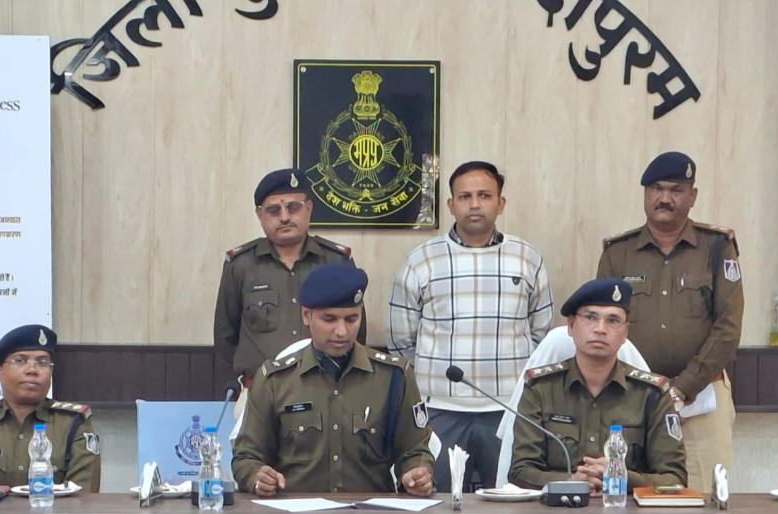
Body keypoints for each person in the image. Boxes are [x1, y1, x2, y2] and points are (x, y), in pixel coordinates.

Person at [388, 160, 553, 491]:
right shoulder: (421, 260)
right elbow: (401, 340)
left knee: (511, 503)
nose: (474, 204)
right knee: (435, 502)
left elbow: (541, 334)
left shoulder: (527, 258)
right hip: (440, 411)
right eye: (464, 197)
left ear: (500, 203)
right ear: (451, 205)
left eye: (484, 195)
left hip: (508, 409)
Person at [597, 151, 743, 493]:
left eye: (676, 190)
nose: (665, 198)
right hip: (633, 397)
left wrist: (683, 388)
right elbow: (604, 323)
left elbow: (728, 327)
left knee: (703, 495)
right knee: (629, 492)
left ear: (692, 196)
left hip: (702, 397)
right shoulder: (618, 252)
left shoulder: (717, 247)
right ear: (645, 194)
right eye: (656, 188)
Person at [232, 264, 433, 496]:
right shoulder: (275, 380)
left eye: (351, 319)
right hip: (294, 511)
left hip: (372, 513)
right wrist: (257, 476)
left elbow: (415, 450)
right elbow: (246, 456)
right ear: (306, 315)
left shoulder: (394, 377)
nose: (342, 331)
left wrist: (416, 473)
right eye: (329, 319)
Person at [509, 279, 687, 494]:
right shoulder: (541, 388)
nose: (601, 329)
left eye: (613, 320)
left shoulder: (651, 394)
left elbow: (674, 479)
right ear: (571, 325)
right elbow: (520, 472)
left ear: (625, 333)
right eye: (590, 317)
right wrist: (571, 481)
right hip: (558, 509)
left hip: (628, 510)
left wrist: (622, 476)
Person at [213, 168, 365, 394]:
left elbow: (355, 331)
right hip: (260, 392)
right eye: (274, 210)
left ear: (308, 209)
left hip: (327, 391)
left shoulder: (336, 261)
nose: (284, 217)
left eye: (293, 207)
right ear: (260, 215)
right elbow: (226, 336)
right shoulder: (241, 265)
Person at [0, 325, 101, 491]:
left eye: (42, 362)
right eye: (20, 360)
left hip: (52, 509)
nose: (32, 370)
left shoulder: (73, 423)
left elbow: (83, 494)